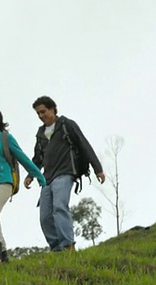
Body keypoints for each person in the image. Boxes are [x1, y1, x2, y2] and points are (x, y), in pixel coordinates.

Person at [24, 96, 105, 252]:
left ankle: (68, 245)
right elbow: (38, 158)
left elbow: (84, 144)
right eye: (38, 114)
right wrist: (30, 175)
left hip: (65, 173)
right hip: (46, 178)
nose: (41, 116)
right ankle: (57, 249)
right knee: (45, 216)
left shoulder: (66, 125)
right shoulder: (41, 133)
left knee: (60, 207)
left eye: (43, 112)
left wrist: (98, 168)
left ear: (53, 109)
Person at [0, 108, 46, 264]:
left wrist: (38, 176)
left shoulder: (5, 138)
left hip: (3, 182)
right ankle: (4, 255)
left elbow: (23, 158)